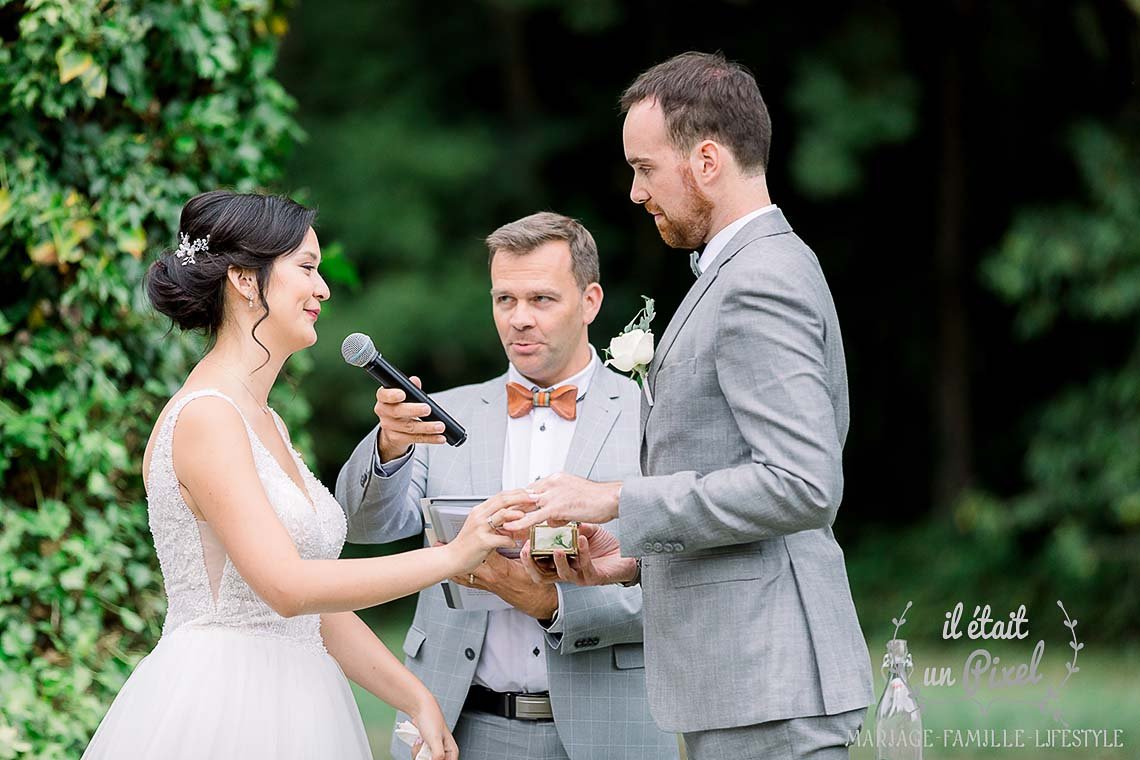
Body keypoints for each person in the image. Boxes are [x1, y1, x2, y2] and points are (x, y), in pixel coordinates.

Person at [505, 53, 874, 759]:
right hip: (746, 681)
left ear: (706, 161)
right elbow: (735, 469)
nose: (636, 192)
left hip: (770, 680)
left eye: (645, 168)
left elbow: (802, 483)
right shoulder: (741, 269)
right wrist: (634, 553)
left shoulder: (760, 279)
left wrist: (616, 498)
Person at [82, 190, 530, 760]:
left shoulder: (263, 418)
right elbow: (289, 588)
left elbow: (315, 608)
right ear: (245, 281)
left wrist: (414, 696)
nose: (323, 289)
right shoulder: (206, 417)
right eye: (307, 267)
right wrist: (452, 556)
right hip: (225, 704)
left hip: (300, 698)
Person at [336, 212, 679, 760]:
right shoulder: (441, 415)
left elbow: (682, 578)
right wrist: (390, 444)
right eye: (504, 299)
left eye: (541, 299)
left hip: (610, 728)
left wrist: (552, 604)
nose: (519, 319)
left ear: (590, 301)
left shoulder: (653, 416)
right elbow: (362, 526)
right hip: (459, 724)